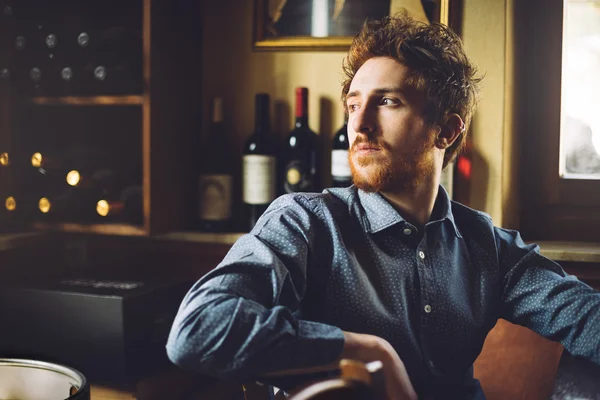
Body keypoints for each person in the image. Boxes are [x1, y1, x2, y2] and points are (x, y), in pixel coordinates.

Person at [166, 14, 600, 400]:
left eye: (387, 101)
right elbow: (197, 330)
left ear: (446, 131)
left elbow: (586, 319)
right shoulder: (304, 222)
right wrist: (364, 349)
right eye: (354, 105)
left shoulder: (488, 245)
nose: (358, 124)